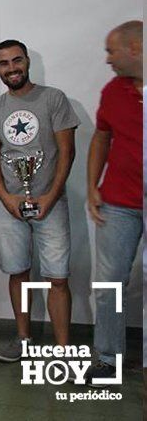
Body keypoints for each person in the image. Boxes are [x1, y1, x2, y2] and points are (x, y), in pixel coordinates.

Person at [0, 39, 78, 362]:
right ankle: (24, 339)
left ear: (27, 62)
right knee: (18, 272)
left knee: (58, 277)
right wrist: (5, 197)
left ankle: (63, 349)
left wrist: (51, 196)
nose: (12, 68)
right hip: (10, 205)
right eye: (4, 63)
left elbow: (68, 152)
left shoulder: (54, 99)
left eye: (16, 61)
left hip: (51, 203)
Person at [85, 21, 143, 385]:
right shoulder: (113, 90)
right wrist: (92, 185)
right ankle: (108, 359)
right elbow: (101, 138)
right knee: (109, 284)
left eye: (111, 51)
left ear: (135, 48)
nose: (107, 59)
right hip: (119, 203)